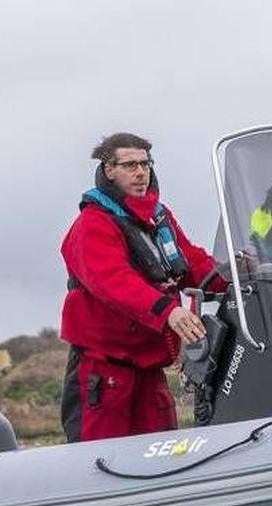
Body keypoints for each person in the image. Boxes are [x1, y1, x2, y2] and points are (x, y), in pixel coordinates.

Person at [59, 132, 227, 443]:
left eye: (146, 164)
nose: (141, 172)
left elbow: (191, 263)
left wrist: (235, 272)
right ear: (109, 170)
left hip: (150, 370)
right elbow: (112, 281)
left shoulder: (159, 219)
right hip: (104, 371)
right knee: (99, 462)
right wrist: (168, 312)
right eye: (130, 165)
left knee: (162, 453)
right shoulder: (92, 225)